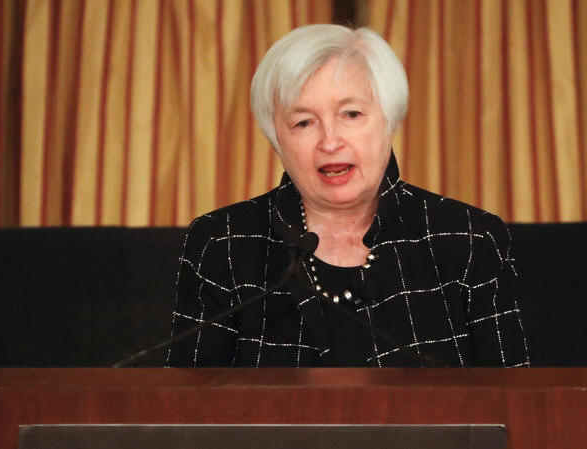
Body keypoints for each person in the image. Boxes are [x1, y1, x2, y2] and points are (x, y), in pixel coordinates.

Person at [165, 24, 530, 368]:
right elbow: (186, 402)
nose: (330, 141)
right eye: (303, 122)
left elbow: (512, 401)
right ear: (277, 139)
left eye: (351, 114)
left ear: (389, 120)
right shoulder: (223, 242)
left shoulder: (470, 240)